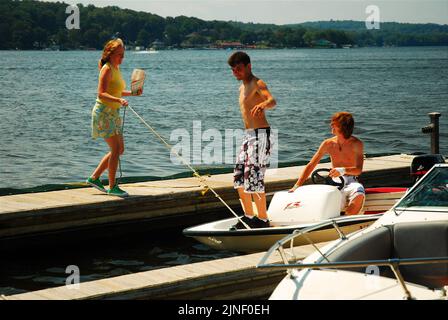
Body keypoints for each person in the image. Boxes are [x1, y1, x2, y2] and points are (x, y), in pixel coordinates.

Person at [86, 38, 142, 197]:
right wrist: (118, 100)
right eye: (119, 55)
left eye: (123, 55)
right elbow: (101, 93)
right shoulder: (107, 68)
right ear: (110, 54)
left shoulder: (116, 68)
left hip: (114, 113)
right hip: (104, 112)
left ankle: (94, 177)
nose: (122, 58)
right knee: (116, 149)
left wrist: (132, 93)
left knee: (119, 149)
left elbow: (116, 90)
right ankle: (111, 186)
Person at [227, 51, 277, 229]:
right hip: (248, 136)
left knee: (254, 177)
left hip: (261, 135)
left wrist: (263, 104)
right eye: (233, 70)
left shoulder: (257, 83)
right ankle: (249, 216)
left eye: (239, 69)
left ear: (249, 66)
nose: (236, 72)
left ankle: (262, 219)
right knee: (239, 176)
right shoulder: (241, 87)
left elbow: (272, 100)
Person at [289, 112, 365, 215]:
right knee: (331, 200)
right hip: (335, 181)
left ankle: (346, 221)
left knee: (359, 191)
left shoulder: (357, 144)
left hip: (352, 181)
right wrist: (297, 185)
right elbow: (311, 165)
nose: (331, 125)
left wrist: (342, 170)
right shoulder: (327, 143)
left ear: (343, 127)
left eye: (334, 123)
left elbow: (358, 170)